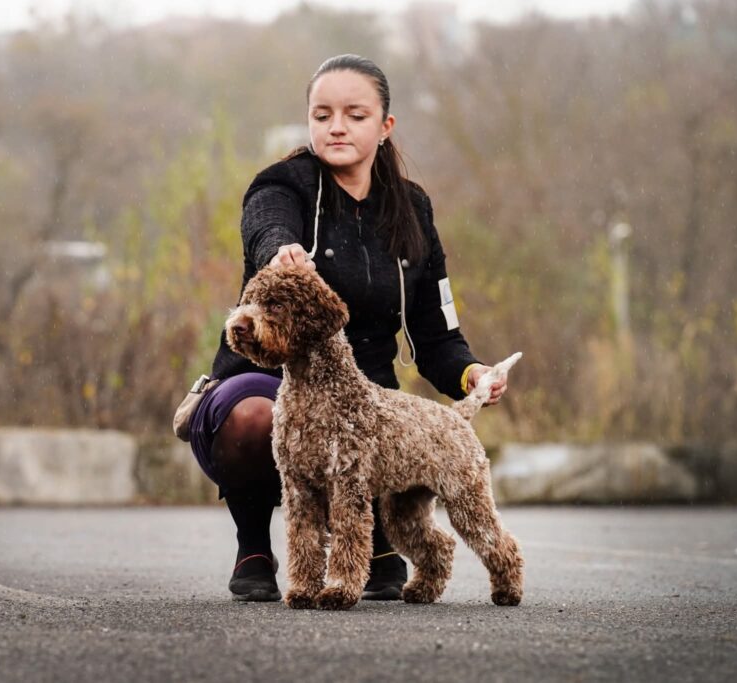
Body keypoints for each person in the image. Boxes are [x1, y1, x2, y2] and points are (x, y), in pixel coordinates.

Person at [186, 54, 510, 602]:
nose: (336, 126)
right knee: (254, 419)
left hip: (365, 399)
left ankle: (377, 544)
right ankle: (254, 548)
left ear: (385, 126)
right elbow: (265, 222)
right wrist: (279, 250)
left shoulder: (412, 208)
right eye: (322, 114)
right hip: (265, 379)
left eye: (354, 115)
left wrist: (472, 373)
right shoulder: (282, 184)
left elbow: (436, 334)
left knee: (382, 553)